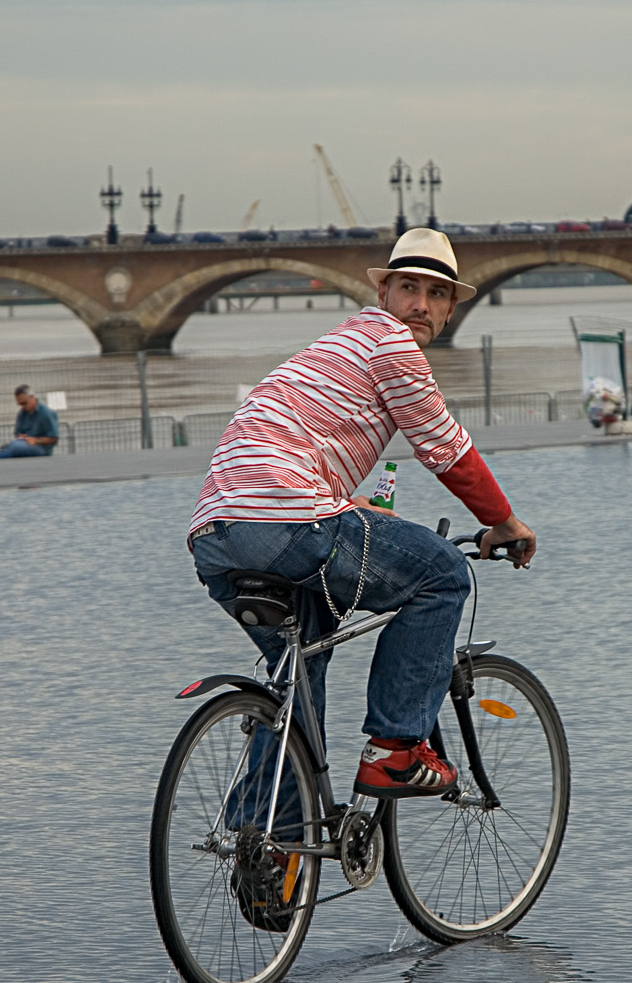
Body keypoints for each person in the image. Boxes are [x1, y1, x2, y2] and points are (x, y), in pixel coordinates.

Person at [190, 227, 537, 801]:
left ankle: (270, 859)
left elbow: (289, 448)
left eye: (436, 293)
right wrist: (504, 521)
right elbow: (444, 448)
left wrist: (342, 504)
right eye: (408, 287)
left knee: (296, 680)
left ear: (452, 307)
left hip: (217, 532)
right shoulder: (391, 343)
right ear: (385, 295)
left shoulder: (336, 345)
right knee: (443, 575)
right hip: (289, 519)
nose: (420, 304)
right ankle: (394, 751)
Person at [0, 386, 59, 459]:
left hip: (42, 448)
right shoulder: (22, 414)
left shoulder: (46, 413)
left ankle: (8, 448)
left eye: (24, 403)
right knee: (0, 454)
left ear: (32, 397)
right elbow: (17, 434)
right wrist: (21, 437)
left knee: (14, 447)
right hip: (24, 444)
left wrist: (36, 440)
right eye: (20, 404)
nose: (22, 406)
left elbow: (53, 438)